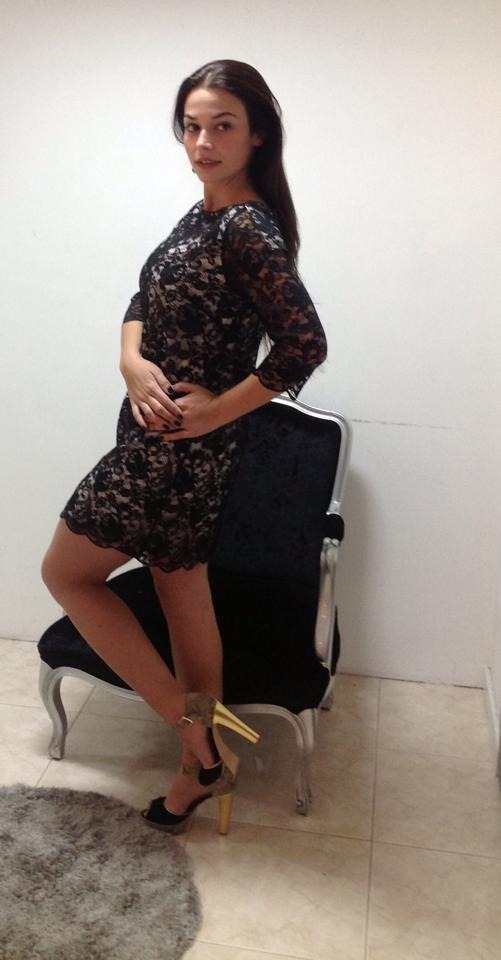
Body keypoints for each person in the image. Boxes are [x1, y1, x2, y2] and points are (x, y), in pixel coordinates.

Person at [41, 59, 328, 835]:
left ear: (256, 134)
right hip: (172, 447)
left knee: (65, 573)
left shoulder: (246, 227)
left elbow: (302, 345)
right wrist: (130, 360)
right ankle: (194, 770)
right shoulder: (202, 214)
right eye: (191, 126)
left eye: (221, 126)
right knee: (181, 594)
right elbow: (143, 299)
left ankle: (197, 743)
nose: (202, 142)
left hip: (170, 454)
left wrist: (214, 414)